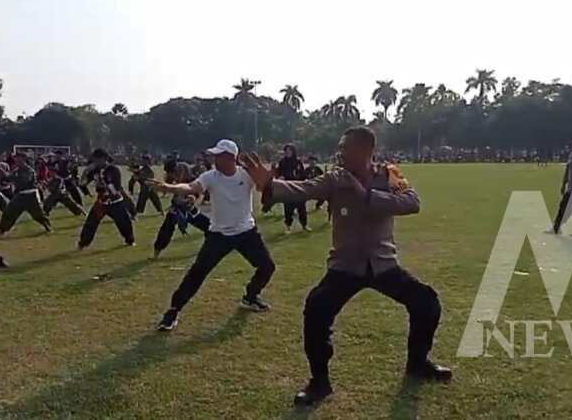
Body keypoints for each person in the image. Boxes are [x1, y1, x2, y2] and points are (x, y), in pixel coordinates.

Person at [240, 126, 451, 406]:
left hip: (383, 264)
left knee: (427, 302)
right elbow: (303, 189)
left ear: (365, 150)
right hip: (345, 266)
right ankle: (319, 383)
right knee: (316, 310)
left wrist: (364, 195)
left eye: (345, 147)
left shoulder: (390, 173)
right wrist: (270, 185)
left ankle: (418, 363)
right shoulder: (336, 178)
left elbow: (411, 202)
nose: (340, 152)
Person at [150, 139, 276, 331]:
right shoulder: (211, 176)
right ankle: (173, 311)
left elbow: (264, 188)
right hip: (219, 235)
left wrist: (266, 180)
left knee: (267, 267)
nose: (214, 158)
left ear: (230, 158)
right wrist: (170, 187)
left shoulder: (245, 174)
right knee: (197, 273)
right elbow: (191, 187)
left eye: (218, 155)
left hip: (246, 231)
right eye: (214, 155)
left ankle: (251, 296)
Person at [151, 159, 210, 259]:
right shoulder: (171, 175)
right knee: (166, 230)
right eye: (170, 173)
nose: (172, 175)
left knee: (209, 227)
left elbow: (195, 189)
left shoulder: (186, 171)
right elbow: (169, 186)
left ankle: (213, 247)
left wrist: (193, 198)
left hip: (189, 207)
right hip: (177, 208)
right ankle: (156, 253)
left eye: (172, 172)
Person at [77, 148, 135, 249]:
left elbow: (116, 188)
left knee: (124, 223)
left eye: (97, 160)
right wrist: (85, 173)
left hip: (115, 201)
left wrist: (106, 183)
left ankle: (130, 241)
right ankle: (83, 243)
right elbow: (82, 184)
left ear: (104, 158)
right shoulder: (94, 171)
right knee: (90, 223)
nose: (95, 162)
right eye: (94, 160)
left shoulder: (114, 170)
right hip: (101, 202)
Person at [0, 152, 53, 236]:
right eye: (16, 159)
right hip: (20, 195)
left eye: (19, 158)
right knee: (9, 211)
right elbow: (7, 179)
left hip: (31, 195)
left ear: (24, 159)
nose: (17, 160)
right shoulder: (16, 171)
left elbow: (24, 181)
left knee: (38, 214)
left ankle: (47, 227)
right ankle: (3, 230)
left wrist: (9, 176)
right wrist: (2, 174)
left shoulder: (29, 170)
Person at [276, 144, 311, 234]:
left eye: (289, 151)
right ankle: (288, 227)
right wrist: (280, 178)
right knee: (288, 209)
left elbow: (303, 174)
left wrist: (305, 182)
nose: (288, 152)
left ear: (293, 151)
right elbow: (278, 174)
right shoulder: (282, 162)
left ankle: (304, 225)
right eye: (286, 151)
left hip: (298, 187)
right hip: (287, 188)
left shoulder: (298, 162)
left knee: (302, 208)